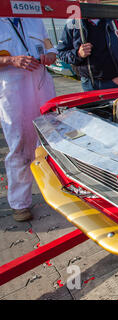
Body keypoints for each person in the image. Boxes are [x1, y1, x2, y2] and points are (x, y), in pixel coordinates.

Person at [0, 18, 56, 221]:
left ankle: (55, 191)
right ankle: (20, 203)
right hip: (12, 89)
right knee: (20, 145)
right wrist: (10, 60)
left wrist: (51, 55)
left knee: (50, 139)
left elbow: (49, 43)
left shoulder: (32, 17)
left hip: (41, 84)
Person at [57, 0, 118, 92]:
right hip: (90, 85)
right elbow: (61, 53)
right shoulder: (72, 26)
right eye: (82, 0)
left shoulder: (117, 24)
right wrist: (78, 54)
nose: (86, 2)